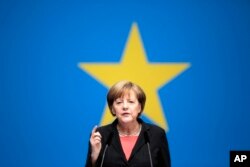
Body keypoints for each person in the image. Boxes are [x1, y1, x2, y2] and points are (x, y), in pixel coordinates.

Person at [85, 80, 171, 167]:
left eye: (131, 102)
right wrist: (94, 157)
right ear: (112, 109)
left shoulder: (156, 134)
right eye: (119, 102)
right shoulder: (100, 135)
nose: (125, 107)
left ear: (139, 107)